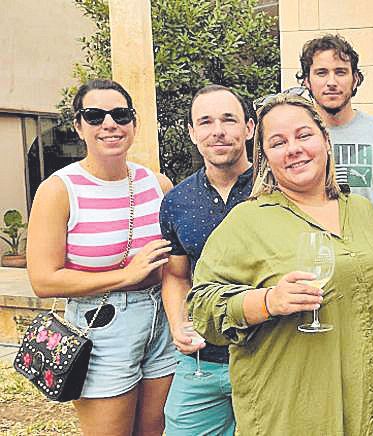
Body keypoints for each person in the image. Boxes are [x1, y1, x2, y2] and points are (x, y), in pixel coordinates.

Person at [187, 93, 373, 435]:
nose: (293, 148)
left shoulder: (365, 213)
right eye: (278, 142)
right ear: (266, 157)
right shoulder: (248, 220)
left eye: (304, 135)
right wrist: (267, 302)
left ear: (325, 140)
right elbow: (202, 309)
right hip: (295, 415)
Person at [26, 79, 175, 435]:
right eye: (94, 116)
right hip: (102, 326)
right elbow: (43, 280)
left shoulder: (158, 184)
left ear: (133, 124)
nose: (110, 124)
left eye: (120, 115)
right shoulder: (59, 190)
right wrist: (125, 276)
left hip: (162, 323)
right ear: (78, 126)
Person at [159, 85, 255, 435]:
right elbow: (175, 275)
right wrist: (177, 324)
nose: (218, 131)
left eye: (229, 119)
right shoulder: (177, 200)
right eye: (206, 121)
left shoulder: (274, 189)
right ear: (192, 132)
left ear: (248, 128)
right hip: (200, 362)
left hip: (267, 357)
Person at [297, 34, 373, 205]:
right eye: (321, 73)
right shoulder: (295, 139)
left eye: (340, 72)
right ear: (307, 82)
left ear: (355, 79)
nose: (331, 82)